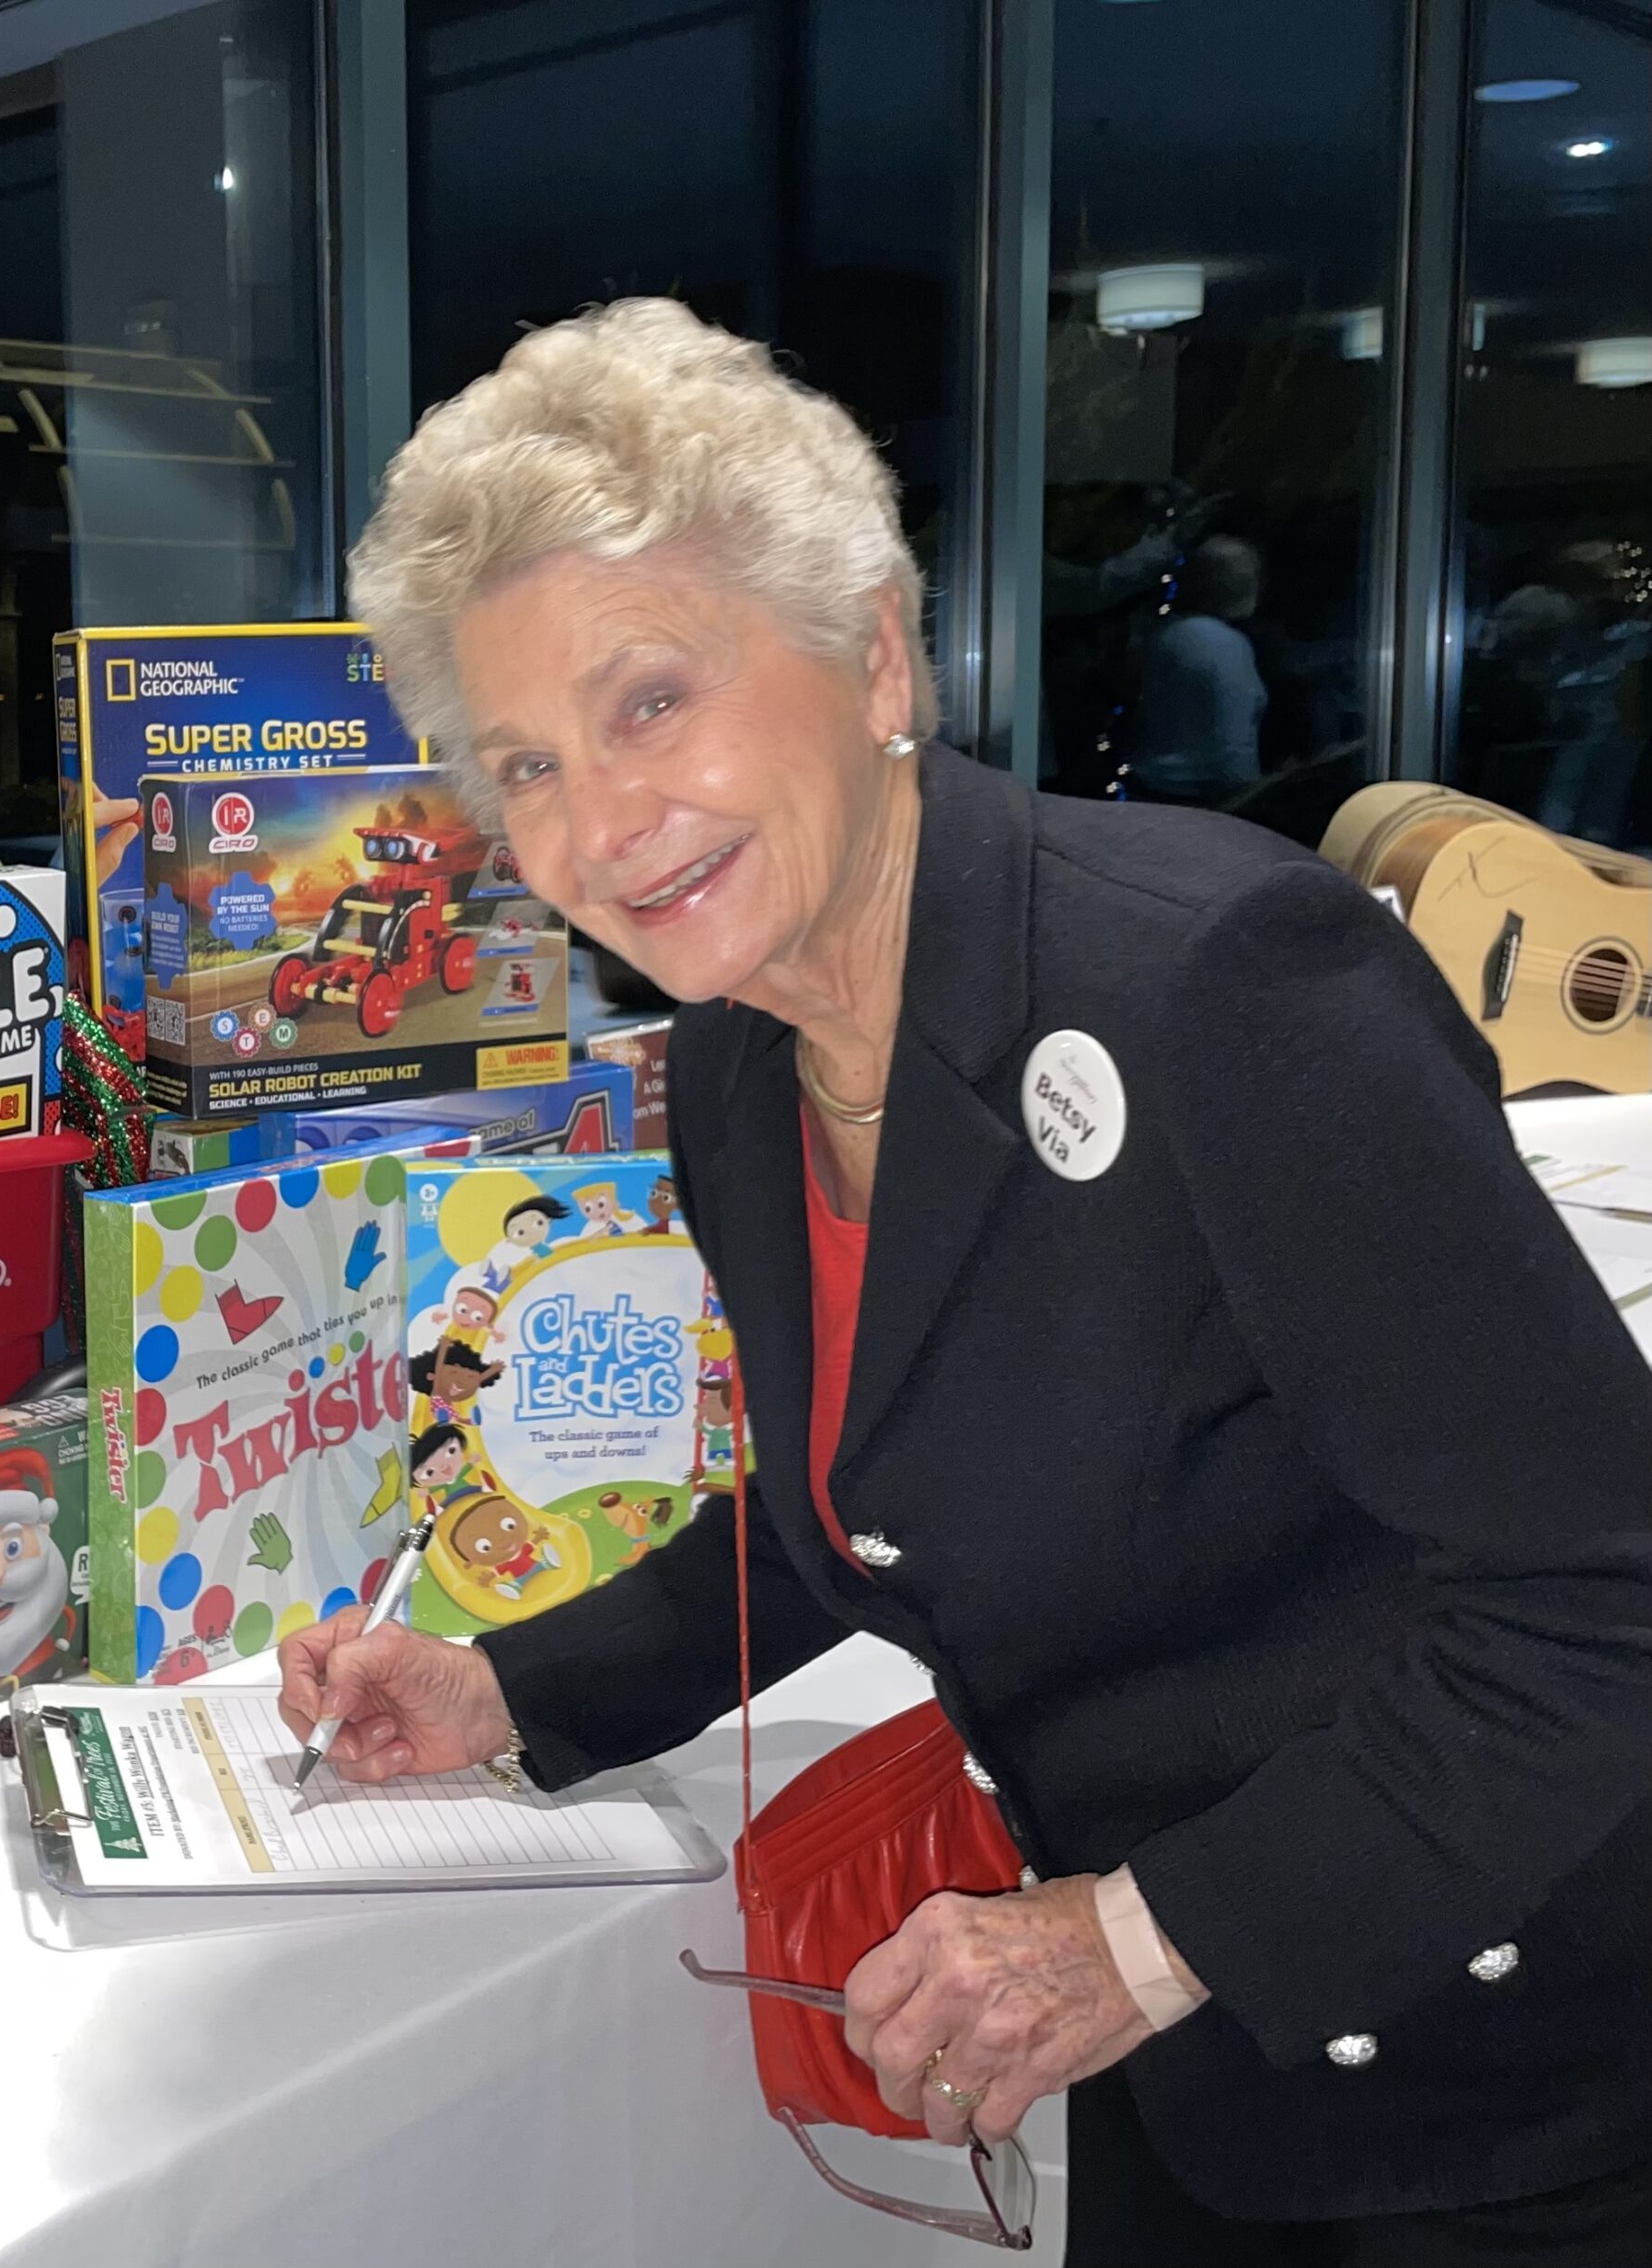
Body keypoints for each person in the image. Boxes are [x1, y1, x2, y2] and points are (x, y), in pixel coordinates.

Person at [278, 298, 1652, 2262]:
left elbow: (1603, 1598)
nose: (594, 824)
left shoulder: (1225, 984)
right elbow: (868, 1492)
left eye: (650, 699)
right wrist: (502, 1678)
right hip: (1194, 2059)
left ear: (870, 652)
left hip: (1494, 2076)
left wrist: (1140, 1934)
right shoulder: (744, 1053)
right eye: (526, 764)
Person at [1128, 535, 1269, 803]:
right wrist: (1250, 801)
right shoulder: (1225, 645)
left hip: (1152, 793)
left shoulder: (1166, 634)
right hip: (1203, 802)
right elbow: (1233, 741)